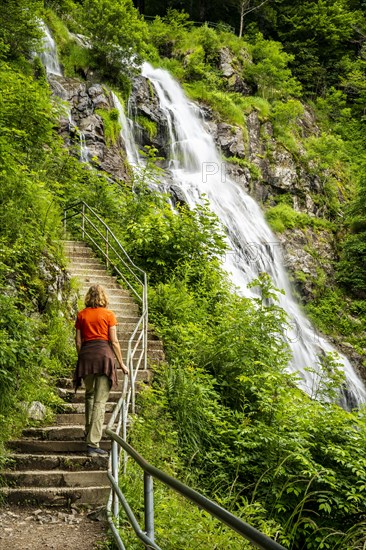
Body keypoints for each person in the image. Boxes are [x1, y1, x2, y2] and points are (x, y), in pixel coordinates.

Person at [73, 284, 128, 457]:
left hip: (86, 357)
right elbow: (114, 342)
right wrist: (122, 364)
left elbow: (78, 342)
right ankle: (93, 443)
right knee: (100, 401)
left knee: (89, 395)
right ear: (104, 297)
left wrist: (82, 357)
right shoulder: (109, 315)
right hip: (104, 358)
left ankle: (88, 432)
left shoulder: (81, 315)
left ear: (88, 297)